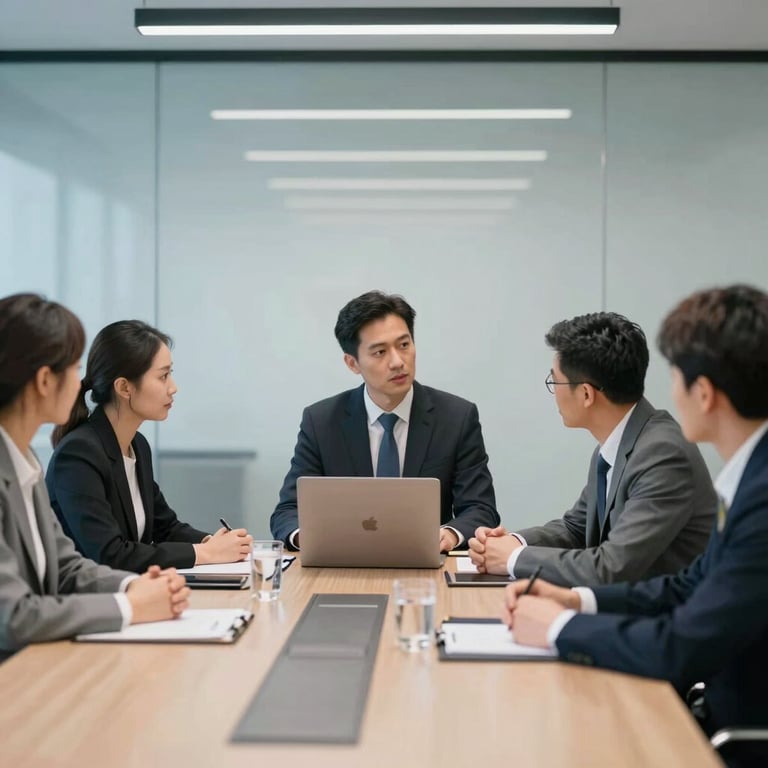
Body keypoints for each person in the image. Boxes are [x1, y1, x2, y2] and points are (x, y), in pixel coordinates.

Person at [503, 285, 768, 764]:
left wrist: (559, 626)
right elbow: (685, 586)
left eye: (675, 379)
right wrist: (573, 599)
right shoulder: (750, 477)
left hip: (730, 733)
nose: (668, 395)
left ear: (704, 393)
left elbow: (682, 644)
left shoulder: (755, 494)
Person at [0, 293, 190, 661]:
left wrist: (138, 585)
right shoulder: (62, 454)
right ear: (43, 381)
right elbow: (14, 616)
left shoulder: (24, 460)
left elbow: (66, 568)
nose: (81, 382)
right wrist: (130, 607)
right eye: (72, 370)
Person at [468, 312, 716, 586]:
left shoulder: (663, 455)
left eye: (555, 381)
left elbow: (611, 567)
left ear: (586, 394)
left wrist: (514, 558)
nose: (554, 392)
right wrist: (511, 542)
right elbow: (576, 526)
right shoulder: (617, 444)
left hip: (667, 619)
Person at [271, 290, 499, 552]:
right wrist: (309, 538)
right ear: (352, 363)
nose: (397, 362)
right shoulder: (321, 422)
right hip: (344, 566)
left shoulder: (456, 417)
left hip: (427, 568)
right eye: (379, 352)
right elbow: (288, 511)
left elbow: (480, 508)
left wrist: (448, 534)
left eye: (404, 345)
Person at [46, 320, 252, 573]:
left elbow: (165, 526)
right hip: (91, 601)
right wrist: (206, 553)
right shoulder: (79, 454)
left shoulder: (137, 445)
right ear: (124, 387)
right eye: (163, 376)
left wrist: (213, 542)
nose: (173, 388)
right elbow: (110, 554)